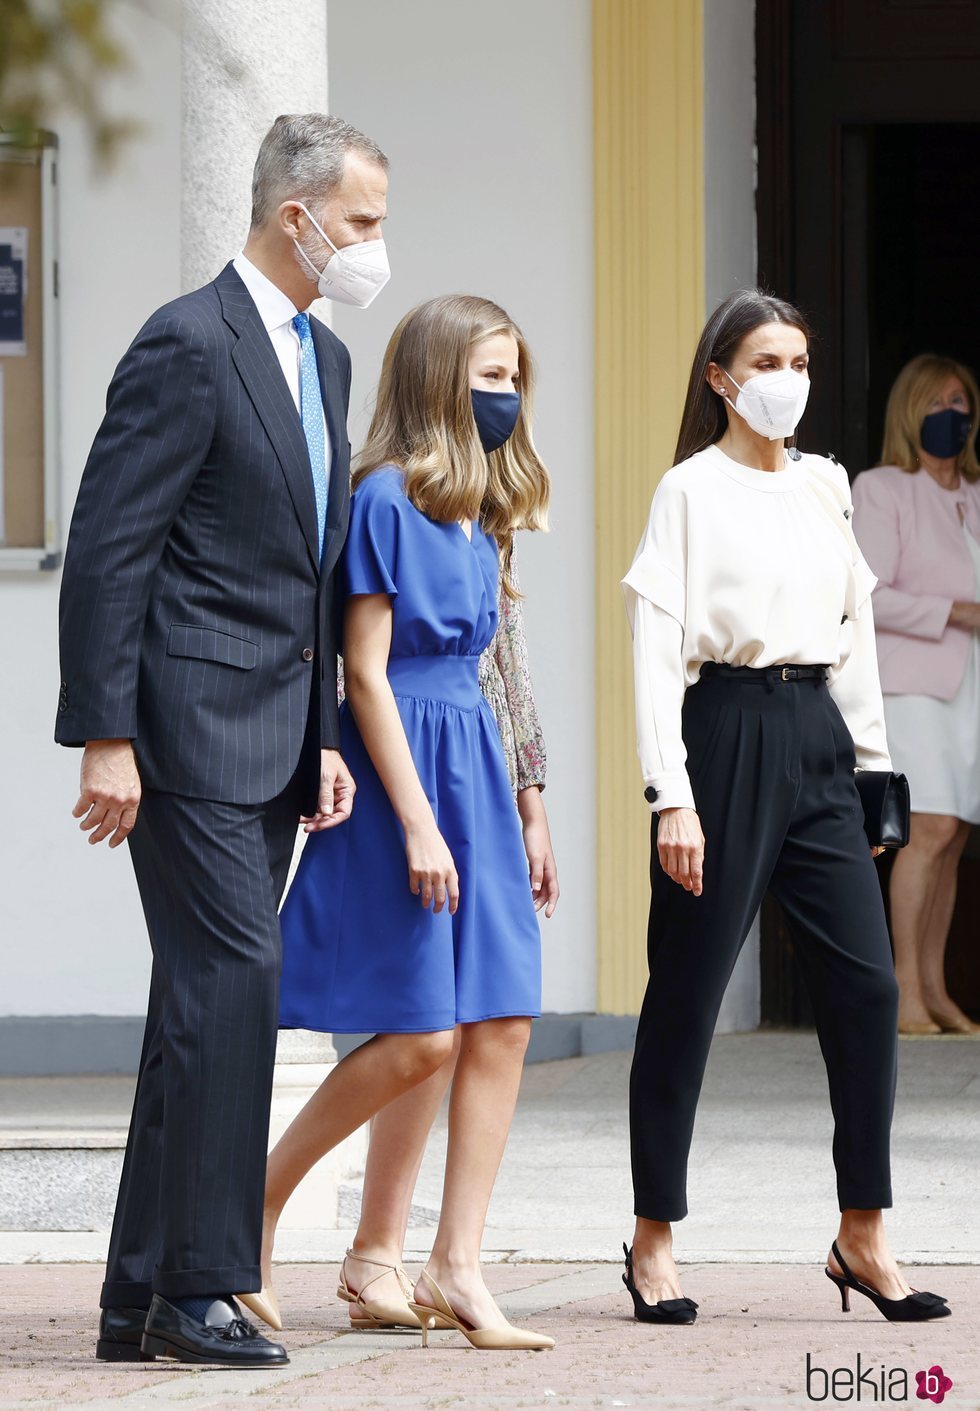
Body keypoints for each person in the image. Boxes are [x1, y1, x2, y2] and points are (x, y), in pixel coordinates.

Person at [55, 112, 390, 1368]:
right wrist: (104, 732)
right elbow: (110, 547)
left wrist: (325, 736)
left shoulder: (328, 359)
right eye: (360, 223)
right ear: (293, 214)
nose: (371, 247)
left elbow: (306, 574)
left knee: (196, 1006)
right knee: (231, 991)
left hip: (275, 739)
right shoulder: (186, 341)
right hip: (184, 729)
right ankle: (204, 1288)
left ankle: (137, 1290)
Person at [621, 289, 951, 1325]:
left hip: (816, 741)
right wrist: (670, 795)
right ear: (719, 378)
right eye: (766, 362)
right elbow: (652, 650)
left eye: (800, 362)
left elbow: (847, 630)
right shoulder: (687, 490)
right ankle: (651, 1237)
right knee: (685, 989)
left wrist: (872, 773)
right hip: (720, 733)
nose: (787, 382)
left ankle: (861, 1234)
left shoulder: (825, 487)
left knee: (861, 991)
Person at [250, 294, 555, 1352]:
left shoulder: (482, 511)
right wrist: (421, 825)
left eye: (514, 378)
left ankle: (449, 1264)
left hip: (473, 757)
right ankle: (260, 1200)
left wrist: (529, 797)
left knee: (502, 1015)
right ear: (435, 382)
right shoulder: (382, 498)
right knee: (419, 1031)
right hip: (402, 771)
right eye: (486, 377)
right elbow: (365, 677)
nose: (504, 397)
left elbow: (498, 663)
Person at [852, 355, 980, 1036]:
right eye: (937, 401)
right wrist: (954, 611)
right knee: (925, 829)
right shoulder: (883, 489)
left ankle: (937, 991)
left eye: (961, 400)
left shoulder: (975, 492)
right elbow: (866, 591)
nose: (951, 413)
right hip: (914, 685)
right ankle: (903, 993)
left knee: (954, 835)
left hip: (970, 689)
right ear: (910, 411)